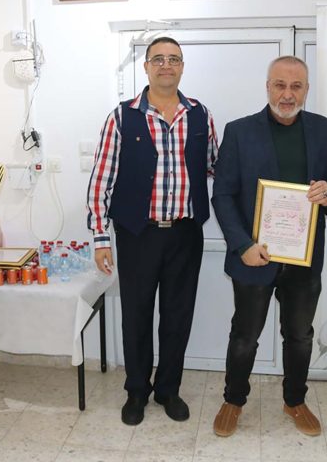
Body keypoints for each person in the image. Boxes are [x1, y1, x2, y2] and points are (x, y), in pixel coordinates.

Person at [211, 56, 327, 437]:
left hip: (304, 257)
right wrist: (243, 245)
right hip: (254, 257)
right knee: (245, 337)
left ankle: (295, 401)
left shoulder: (323, 129)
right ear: (268, 87)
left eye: (296, 86)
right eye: (280, 85)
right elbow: (222, 195)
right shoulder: (239, 131)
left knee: (300, 336)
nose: (287, 94)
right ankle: (233, 401)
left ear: (306, 89)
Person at [86, 36, 218, 426]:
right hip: (137, 235)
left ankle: (168, 390)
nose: (166, 65)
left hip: (185, 234)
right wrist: (100, 237)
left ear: (182, 67)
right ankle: (137, 391)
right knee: (137, 316)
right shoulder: (122, 117)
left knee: (178, 316)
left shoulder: (200, 115)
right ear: (145, 67)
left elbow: (216, 166)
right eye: (157, 59)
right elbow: (101, 181)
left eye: (173, 59)